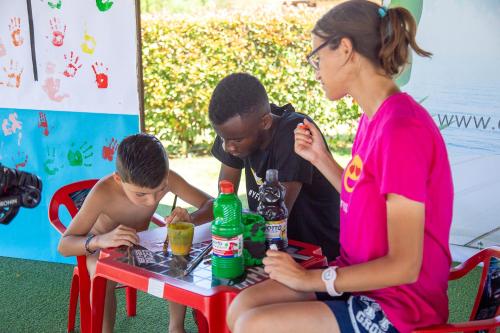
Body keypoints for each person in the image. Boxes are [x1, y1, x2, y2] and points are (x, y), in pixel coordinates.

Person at [226, 1, 453, 333]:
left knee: (255, 324)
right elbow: (366, 196)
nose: (316, 71)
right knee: (242, 307)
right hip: (359, 281)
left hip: (398, 304)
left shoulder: (402, 130)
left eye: (317, 58)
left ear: (346, 49)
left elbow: (405, 266)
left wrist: (311, 278)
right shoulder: (374, 118)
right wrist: (321, 159)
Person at [58, 133, 212, 333]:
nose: (151, 201)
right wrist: (100, 240)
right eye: (141, 194)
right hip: (100, 249)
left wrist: (191, 218)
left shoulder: (167, 178)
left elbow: (213, 204)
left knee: (180, 254)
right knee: (99, 268)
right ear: (118, 179)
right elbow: (65, 245)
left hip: (140, 243)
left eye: (161, 190)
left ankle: (176, 327)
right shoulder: (103, 192)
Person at [208, 72, 341, 261]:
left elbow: (276, 216)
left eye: (236, 140)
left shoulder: (294, 132)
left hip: (316, 253)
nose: (228, 147)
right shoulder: (236, 132)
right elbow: (225, 198)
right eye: (223, 138)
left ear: (265, 122)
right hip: (272, 249)